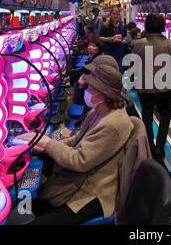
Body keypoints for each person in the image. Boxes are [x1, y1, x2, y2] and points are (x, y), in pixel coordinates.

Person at [19, 65, 134, 225]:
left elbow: (80, 161)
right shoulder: (98, 112)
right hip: (79, 180)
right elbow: (76, 140)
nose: (87, 90)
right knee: (28, 207)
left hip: (93, 190)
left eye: (91, 88)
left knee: (38, 221)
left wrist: (48, 143)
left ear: (104, 94)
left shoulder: (113, 124)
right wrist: (43, 146)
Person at [131, 13, 171, 164]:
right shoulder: (169, 43)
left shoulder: (138, 43)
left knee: (147, 117)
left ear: (146, 25)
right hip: (164, 87)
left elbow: (132, 65)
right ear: (162, 26)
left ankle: (150, 147)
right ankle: (160, 148)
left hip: (144, 87)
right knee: (165, 116)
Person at [99, 7, 127, 73]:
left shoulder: (122, 25)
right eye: (114, 14)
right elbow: (100, 38)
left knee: (120, 72)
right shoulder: (105, 25)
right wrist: (112, 38)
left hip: (120, 52)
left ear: (120, 15)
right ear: (110, 14)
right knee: (110, 72)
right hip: (109, 51)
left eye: (117, 14)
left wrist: (123, 42)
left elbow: (125, 37)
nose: (116, 16)